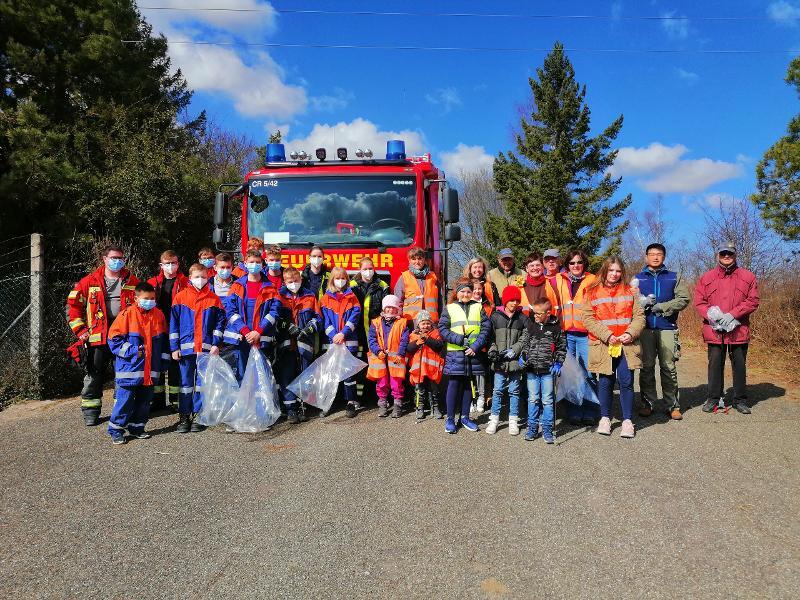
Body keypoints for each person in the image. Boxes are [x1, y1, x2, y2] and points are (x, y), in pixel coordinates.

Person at [67, 244, 140, 426]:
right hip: (97, 337)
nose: (118, 261)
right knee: (93, 375)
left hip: (122, 338)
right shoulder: (89, 281)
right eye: (114, 258)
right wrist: (81, 330)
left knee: (122, 375)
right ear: (105, 259)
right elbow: (72, 307)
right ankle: (90, 412)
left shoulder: (132, 281)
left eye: (120, 258)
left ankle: (121, 412)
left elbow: (143, 306)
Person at [582, 256, 645, 438]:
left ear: (622, 272)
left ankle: (627, 421)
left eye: (618, 271)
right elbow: (588, 318)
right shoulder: (592, 291)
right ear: (605, 271)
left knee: (626, 381)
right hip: (604, 344)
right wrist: (607, 335)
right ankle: (605, 418)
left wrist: (630, 333)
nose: (614, 274)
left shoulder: (631, 291)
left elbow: (639, 317)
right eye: (611, 270)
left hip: (626, 344)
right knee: (605, 381)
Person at [693, 243, 760, 414]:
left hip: (738, 329)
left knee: (739, 365)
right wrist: (713, 316)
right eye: (723, 253)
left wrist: (733, 314)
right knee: (715, 365)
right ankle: (713, 398)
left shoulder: (748, 276)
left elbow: (753, 301)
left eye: (729, 253)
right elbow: (699, 302)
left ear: (735, 255)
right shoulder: (706, 277)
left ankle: (740, 400)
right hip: (714, 330)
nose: (726, 256)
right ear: (718, 255)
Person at [633, 243, 691, 420]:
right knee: (647, 367)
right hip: (645, 329)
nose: (655, 257)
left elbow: (684, 299)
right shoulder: (638, 278)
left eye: (659, 254)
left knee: (668, 367)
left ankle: (672, 405)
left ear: (664, 257)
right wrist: (640, 302)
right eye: (652, 254)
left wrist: (663, 307)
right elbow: (629, 299)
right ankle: (647, 404)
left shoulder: (674, 276)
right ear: (646, 257)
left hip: (667, 328)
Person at [105, 282, 167, 444]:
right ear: (136, 298)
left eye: (153, 298)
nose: (150, 301)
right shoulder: (127, 314)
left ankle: (137, 427)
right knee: (124, 401)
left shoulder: (159, 315)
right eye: (146, 298)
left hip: (150, 370)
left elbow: (163, 342)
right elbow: (113, 339)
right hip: (130, 369)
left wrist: (163, 364)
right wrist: (133, 351)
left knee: (144, 402)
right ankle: (116, 429)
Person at [169, 263, 225, 434]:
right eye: (196, 277)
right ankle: (184, 417)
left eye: (203, 277)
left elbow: (220, 324)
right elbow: (174, 325)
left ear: (208, 277)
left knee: (202, 384)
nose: (200, 280)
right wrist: (174, 347)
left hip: (206, 349)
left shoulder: (214, 299)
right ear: (190, 277)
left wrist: (216, 344)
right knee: (185, 385)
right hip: (185, 351)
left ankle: (199, 416)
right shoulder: (180, 297)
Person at [545, 249, 599, 426]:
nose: (576, 266)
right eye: (572, 263)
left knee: (589, 373)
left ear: (584, 264)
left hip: (586, 334)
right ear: (566, 265)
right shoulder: (559, 280)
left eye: (579, 262)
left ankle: (590, 410)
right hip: (566, 334)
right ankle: (574, 411)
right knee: (570, 374)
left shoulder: (593, 280)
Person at [438, 278, 491, 434]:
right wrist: (460, 339)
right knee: (454, 384)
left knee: (469, 385)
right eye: (462, 291)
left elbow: (486, 329)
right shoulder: (450, 308)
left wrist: (475, 346)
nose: (466, 294)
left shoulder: (478, 307)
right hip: (456, 353)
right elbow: (442, 328)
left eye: (469, 291)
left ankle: (465, 417)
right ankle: (450, 419)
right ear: (457, 293)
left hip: (472, 353)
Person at [223, 249, 282, 381]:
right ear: (245, 263)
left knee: (261, 379)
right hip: (240, 340)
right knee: (241, 378)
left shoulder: (271, 288)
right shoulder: (236, 286)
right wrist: (245, 331)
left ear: (262, 264)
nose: (254, 264)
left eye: (257, 262)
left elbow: (274, 313)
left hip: (261, 340)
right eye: (251, 262)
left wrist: (258, 332)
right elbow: (231, 312)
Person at [275, 267, 321, 424]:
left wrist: (309, 328)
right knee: (286, 376)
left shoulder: (309, 296)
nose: (293, 284)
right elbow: (275, 317)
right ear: (284, 282)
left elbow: (318, 317)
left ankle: (303, 407)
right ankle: (291, 410)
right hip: (287, 345)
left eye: (296, 281)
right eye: (290, 282)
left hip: (304, 343)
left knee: (305, 375)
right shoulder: (279, 296)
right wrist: (287, 326)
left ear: (301, 281)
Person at [521, 297, 566, 443]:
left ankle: (547, 429)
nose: (535, 316)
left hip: (548, 371)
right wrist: (523, 355)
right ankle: (532, 428)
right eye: (534, 313)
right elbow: (525, 343)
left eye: (539, 314)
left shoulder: (556, 328)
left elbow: (561, 347)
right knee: (533, 399)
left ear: (548, 313)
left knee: (547, 400)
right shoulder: (531, 326)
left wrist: (558, 363)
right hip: (532, 370)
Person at [148, 249, 188, 411]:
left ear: (178, 264)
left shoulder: (186, 282)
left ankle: (175, 401)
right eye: (167, 264)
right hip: (158, 330)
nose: (170, 266)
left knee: (175, 365)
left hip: (178, 329)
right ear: (161, 265)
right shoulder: (153, 283)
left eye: (173, 263)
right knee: (156, 364)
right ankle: (157, 401)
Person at [485, 285, 528, 436]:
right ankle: (494, 419)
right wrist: (493, 351)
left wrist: (515, 350)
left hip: (515, 361)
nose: (514, 303)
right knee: (497, 391)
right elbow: (490, 337)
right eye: (511, 300)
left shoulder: (522, 318)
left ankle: (513, 420)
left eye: (517, 300)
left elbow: (525, 337)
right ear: (505, 300)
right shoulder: (496, 317)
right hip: (499, 361)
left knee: (514, 391)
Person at [319, 266, 362, 417]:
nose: (340, 281)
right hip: (332, 341)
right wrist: (334, 335)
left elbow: (354, 319)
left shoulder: (353, 297)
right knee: (330, 373)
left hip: (348, 341)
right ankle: (329, 402)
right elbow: (324, 321)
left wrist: (343, 334)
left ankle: (351, 402)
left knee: (348, 373)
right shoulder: (325, 299)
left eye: (343, 278)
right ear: (332, 280)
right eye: (337, 278)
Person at [349, 256, 389, 402]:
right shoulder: (352, 285)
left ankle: (377, 395)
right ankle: (358, 398)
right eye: (365, 269)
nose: (368, 272)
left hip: (375, 333)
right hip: (357, 332)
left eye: (370, 268)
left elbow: (386, 309)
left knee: (377, 363)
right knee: (358, 365)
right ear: (360, 270)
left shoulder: (382, 285)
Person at [367, 295, 411, 418]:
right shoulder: (375, 322)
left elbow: (404, 340)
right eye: (388, 307)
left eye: (393, 307)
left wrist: (400, 353)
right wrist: (377, 351)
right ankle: (382, 404)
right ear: (383, 308)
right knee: (381, 382)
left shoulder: (402, 323)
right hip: (380, 358)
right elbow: (371, 339)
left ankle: (397, 405)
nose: (390, 310)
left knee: (396, 382)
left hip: (396, 358)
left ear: (397, 309)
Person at [407, 310, 444, 420]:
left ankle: (435, 407)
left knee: (434, 389)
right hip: (418, 370)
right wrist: (417, 342)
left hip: (432, 369)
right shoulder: (413, 335)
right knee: (419, 390)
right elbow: (408, 349)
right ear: (418, 324)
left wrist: (427, 339)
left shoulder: (436, 333)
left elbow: (439, 346)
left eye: (428, 323)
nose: (426, 326)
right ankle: (420, 408)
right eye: (423, 323)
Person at [394, 246, 440, 323]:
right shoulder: (404, 277)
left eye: (420, 258)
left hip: (431, 322)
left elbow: (440, 300)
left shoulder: (433, 277)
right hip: (411, 322)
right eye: (414, 259)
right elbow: (397, 300)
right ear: (409, 260)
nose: (417, 262)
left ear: (424, 260)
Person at [469, 279, 493, 413]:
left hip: (483, 344)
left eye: (479, 289)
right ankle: (472, 398)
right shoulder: (466, 304)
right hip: (470, 345)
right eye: (474, 289)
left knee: (482, 372)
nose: (477, 291)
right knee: (470, 373)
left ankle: (482, 397)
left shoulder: (487, 305)